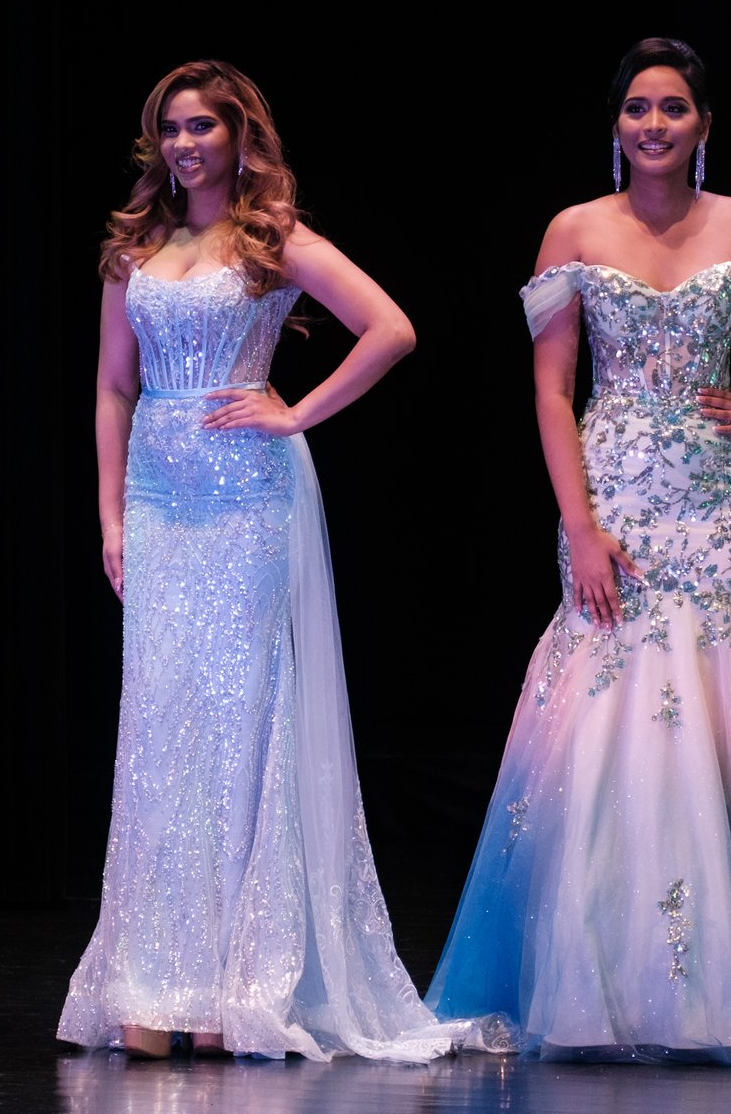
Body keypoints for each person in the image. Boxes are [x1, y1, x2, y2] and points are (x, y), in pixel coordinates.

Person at [422, 37, 731, 1065]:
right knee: (608, 699)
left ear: (703, 124)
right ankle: (602, 985)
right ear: (617, 124)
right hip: (613, 490)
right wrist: (580, 525)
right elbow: (551, 390)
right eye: (637, 107)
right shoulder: (575, 228)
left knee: (721, 702)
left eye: (673, 107)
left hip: (717, 499)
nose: (654, 124)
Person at [56, 60, 464, 1062]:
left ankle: (229, 984)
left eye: (203, 126)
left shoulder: (271, 238)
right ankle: (154, 978)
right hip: (159, 498)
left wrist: (297, 410)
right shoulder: (134, 246)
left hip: (246, 497)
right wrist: (109, 512)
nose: (185, 144)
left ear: (240, 136)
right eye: (171, 128)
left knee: (240, 721)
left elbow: (392, 329)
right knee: (161, 724)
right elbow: (112, 385)